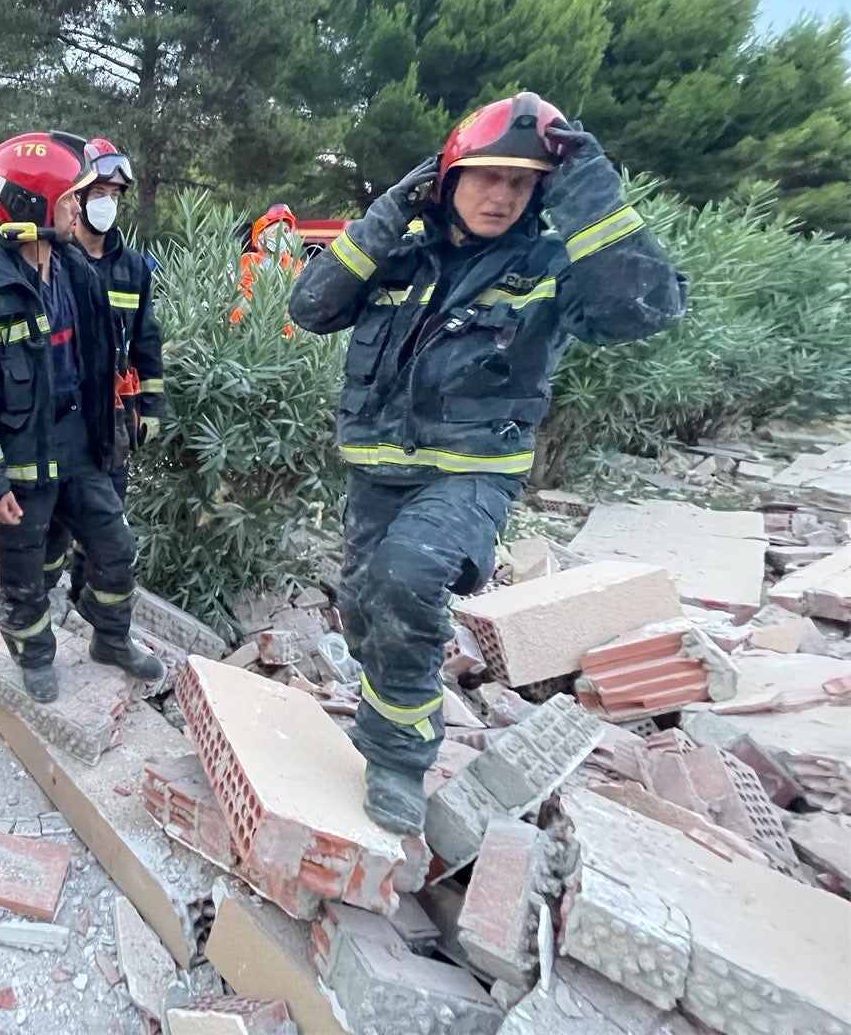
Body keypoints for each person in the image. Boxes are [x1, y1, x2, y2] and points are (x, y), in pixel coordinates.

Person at [288, 93, 686, 835]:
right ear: (447, 179)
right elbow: (310, 306)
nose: (502, 195)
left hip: (471, 473)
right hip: (377, 471)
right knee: (371, 613)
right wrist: (383, 215)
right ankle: (385, 718)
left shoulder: (550, 266)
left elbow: (647, 308)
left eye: (522, 181)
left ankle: (398, 761)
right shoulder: (402, 252)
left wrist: (592, 196)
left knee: (410, 574)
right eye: (487, 176)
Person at [0, 132, 165, 703]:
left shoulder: (74, 271)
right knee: (26, 573)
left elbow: (101, 362)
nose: (78, 210)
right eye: (69, 199)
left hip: (80, 447)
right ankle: (34, 654)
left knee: (114, 549)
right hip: (20, 460)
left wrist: (117, 428)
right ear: (32, 207)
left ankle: (110, 637)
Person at [45, 135, 164, 604]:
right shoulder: (52, 259)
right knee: (52, 525)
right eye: (99, 194)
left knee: (105, 518)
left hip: (113, 418)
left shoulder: (133, 267)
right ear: (77, 196)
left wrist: (152, 404)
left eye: (115, 196)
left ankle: (86, 603)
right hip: (66, 417)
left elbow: (146, 340)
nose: (107, 204)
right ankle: (44, 599)